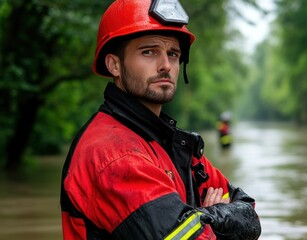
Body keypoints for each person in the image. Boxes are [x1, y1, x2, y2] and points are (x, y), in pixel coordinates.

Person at [60, 0, 261, 239]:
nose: (165, 65)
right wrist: (211, 216)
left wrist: (206, 216)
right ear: (114, 64)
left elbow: (250, 215)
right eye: (148, 52)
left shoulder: (175, 145)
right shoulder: (114, 153)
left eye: (173, 54)